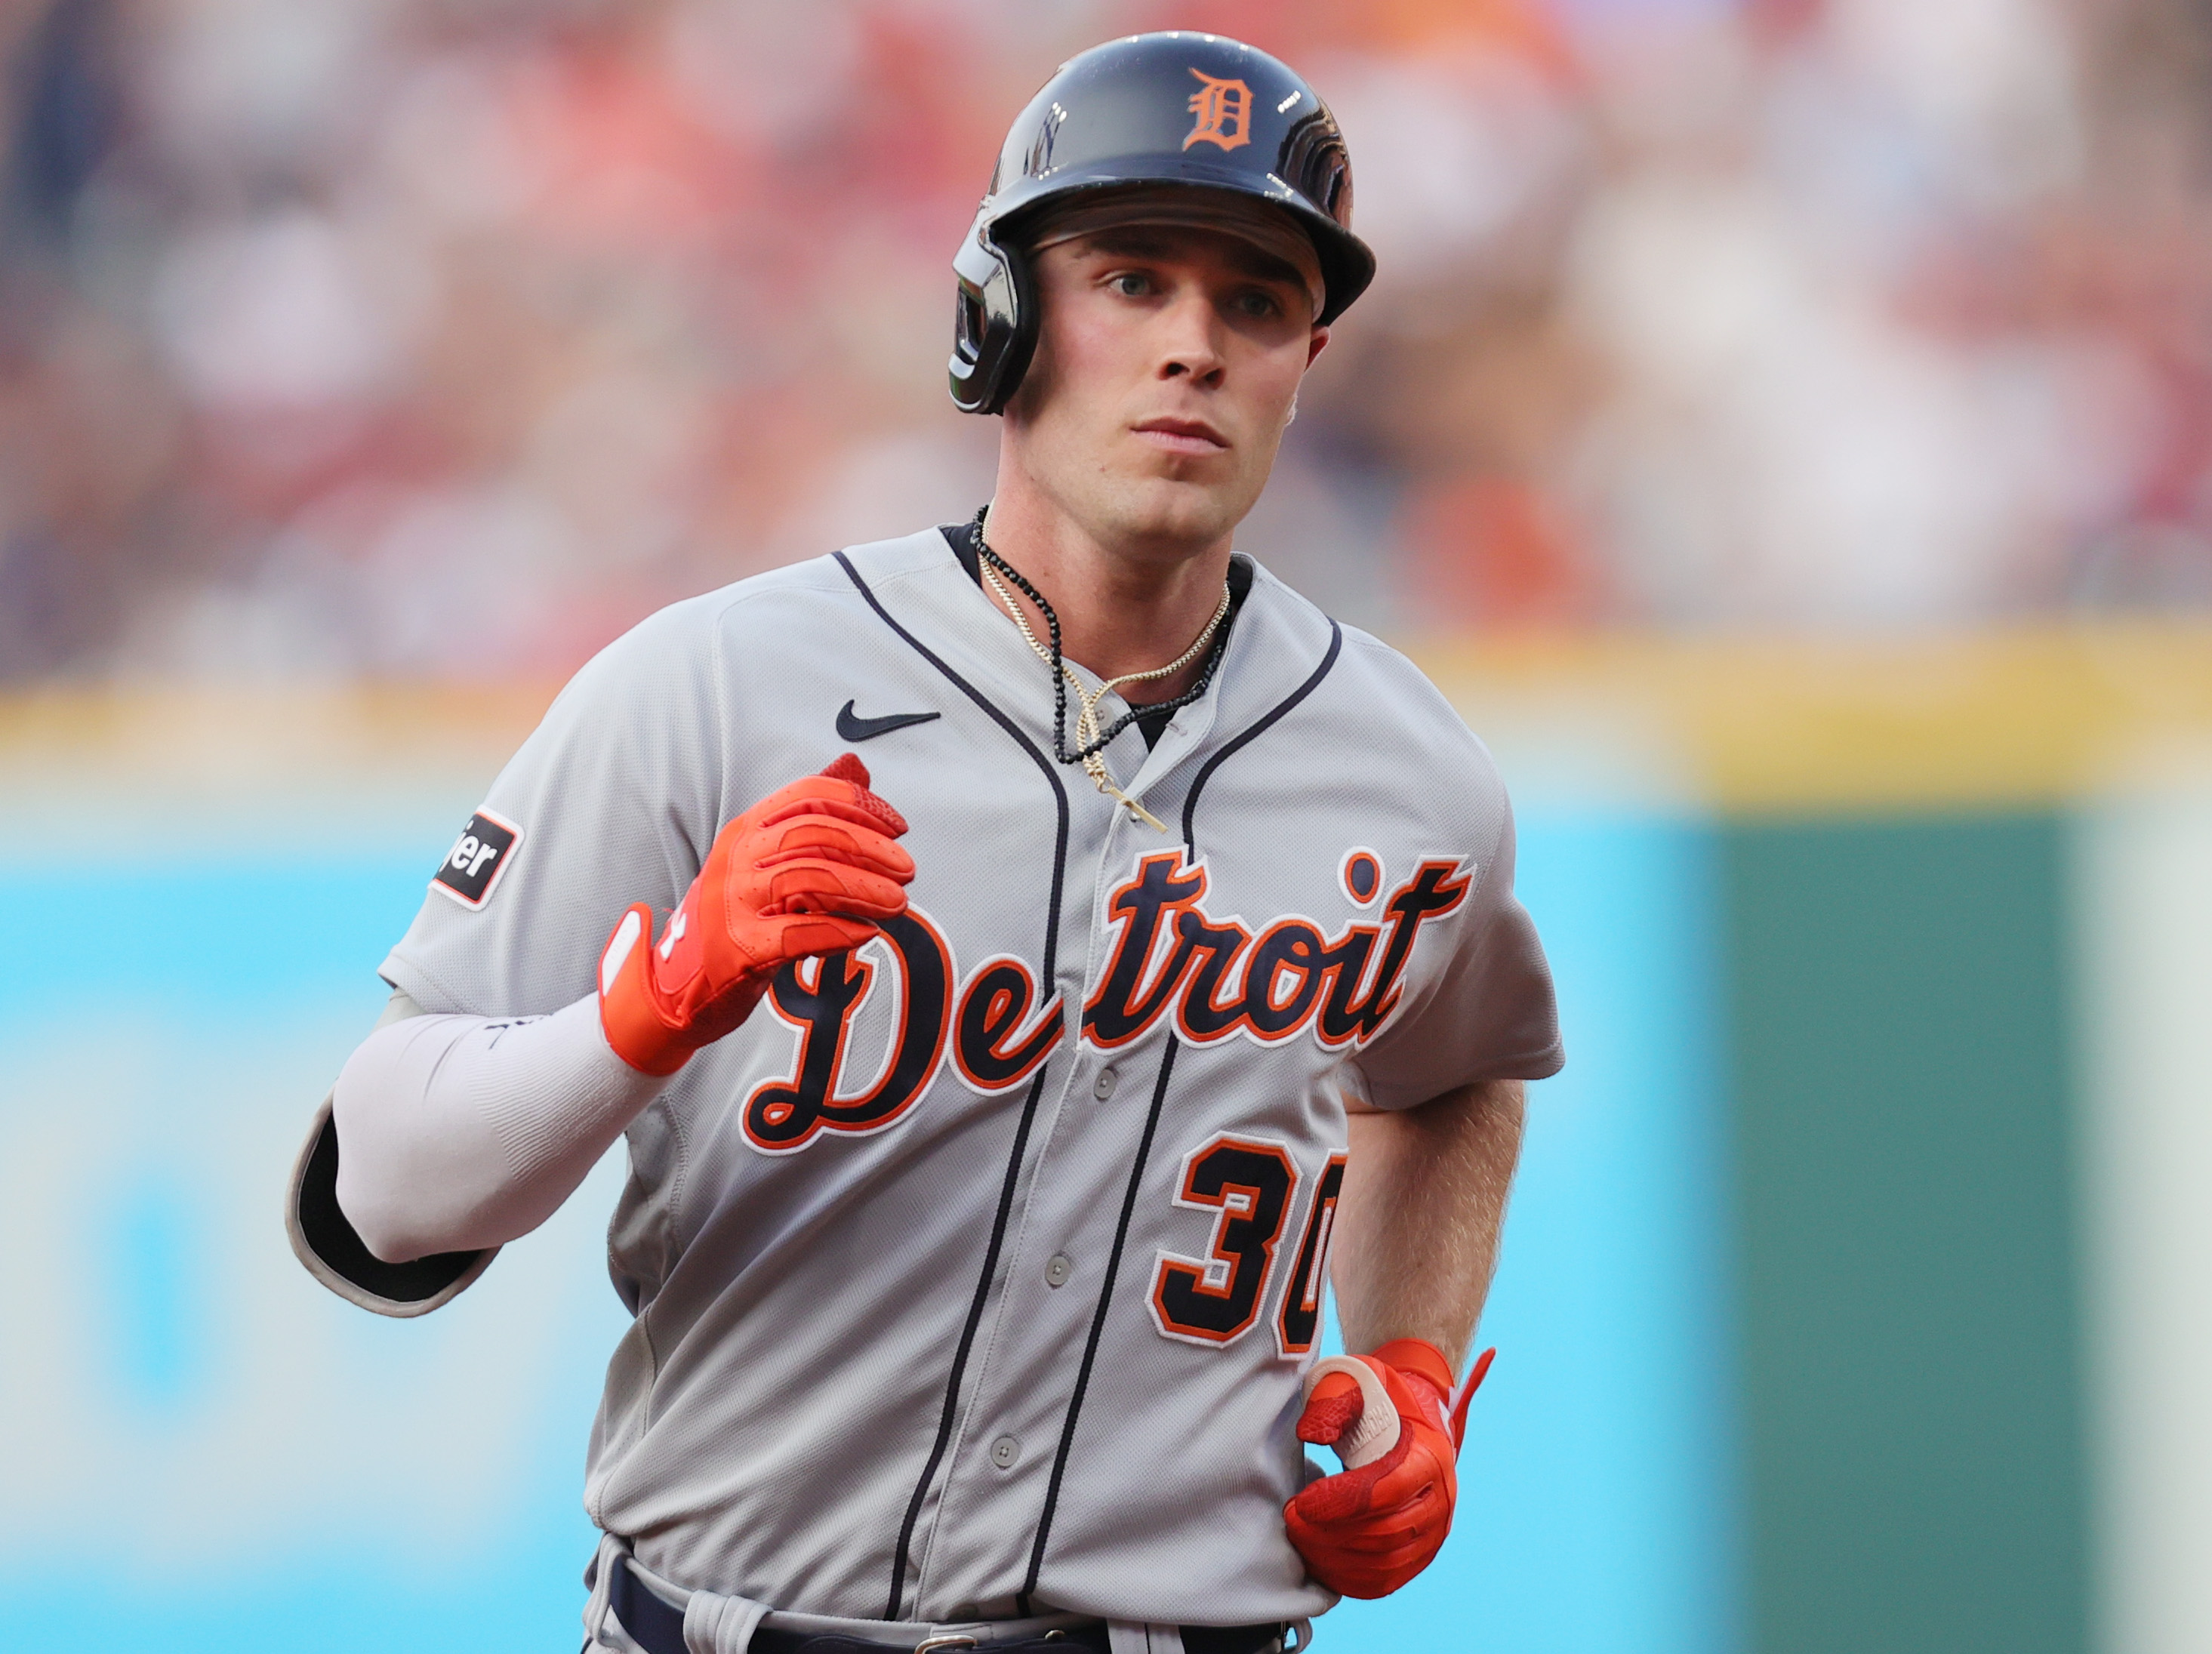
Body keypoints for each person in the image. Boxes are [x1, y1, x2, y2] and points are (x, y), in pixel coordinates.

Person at [286, 32, 1562, 1654]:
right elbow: (382, 1190)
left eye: (1251, 300)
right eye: (1130, 280)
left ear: (1307, 354)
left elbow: (1457, 1072)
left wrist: (1412, 1363)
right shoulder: (719, 685)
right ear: (1003, 318)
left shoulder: (1410, 772)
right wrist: (647, 1011)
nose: (1193, 346)